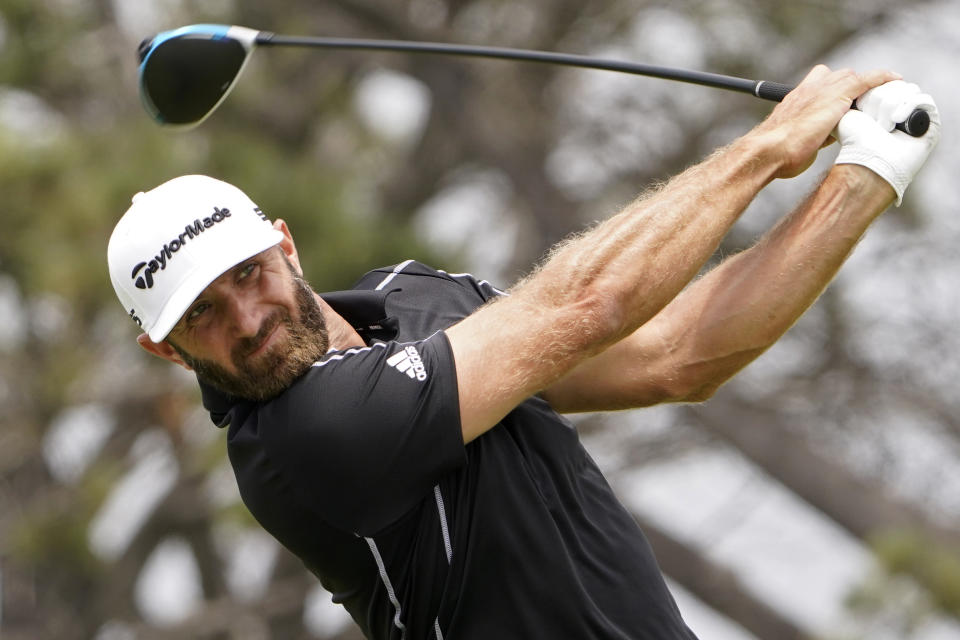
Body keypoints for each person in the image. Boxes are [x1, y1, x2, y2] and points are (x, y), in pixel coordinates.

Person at [107, 66, 939, 639]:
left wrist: (870, 167)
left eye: (248, 275)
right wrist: (768, 146)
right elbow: (587, 301)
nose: (246, 320)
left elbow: (677, 356)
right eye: (204, 314)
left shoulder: (414, 297)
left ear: (283, 245)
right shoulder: (302, 438)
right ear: (166, 349)